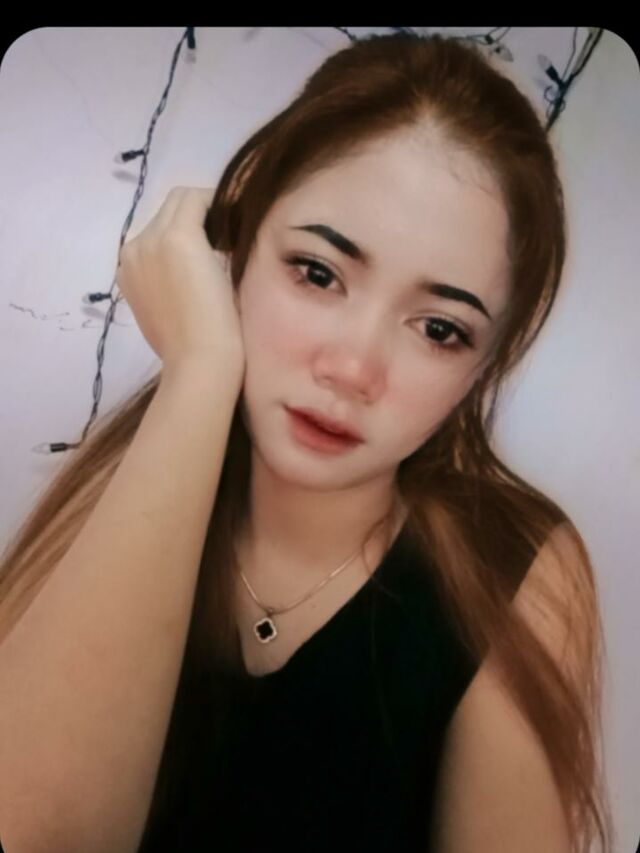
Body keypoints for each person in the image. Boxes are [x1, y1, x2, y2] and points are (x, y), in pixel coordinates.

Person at [0, 32, 613, 853]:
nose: (354, 369)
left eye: (439, 329)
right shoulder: (132, 472)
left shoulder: (513, 569)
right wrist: (200, 370)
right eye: (318, 273)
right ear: (241, 236)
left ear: (483, 366)